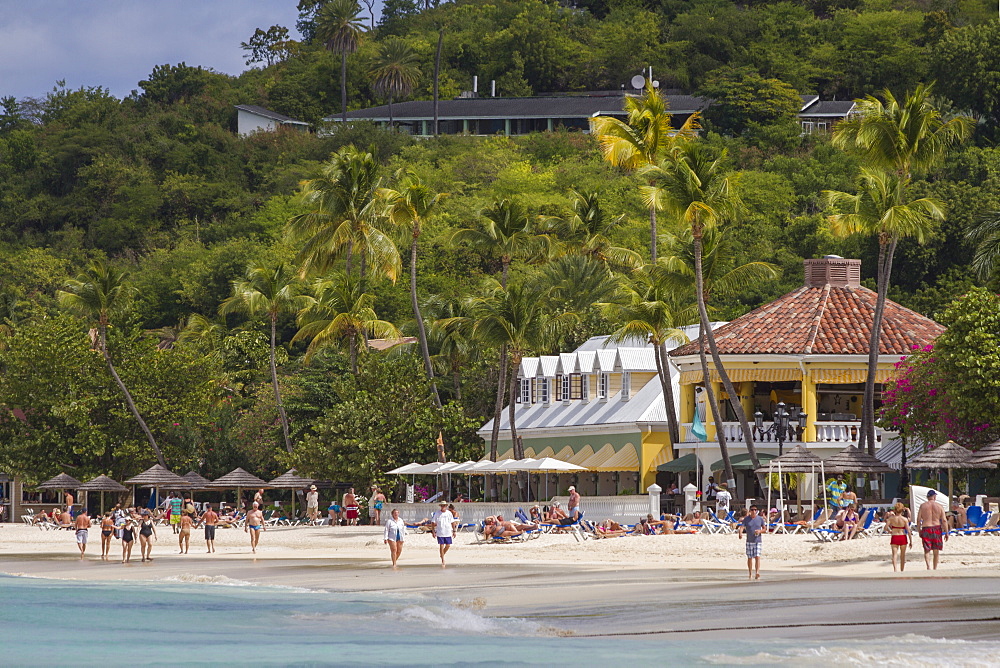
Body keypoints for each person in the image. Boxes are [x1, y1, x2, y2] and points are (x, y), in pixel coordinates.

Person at [917, 489, 947, 570]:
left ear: (927, 497)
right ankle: (935, 567)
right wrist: (947, 532)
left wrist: (919, 530)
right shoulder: (939, 506)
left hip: (926, 527)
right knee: (936, 549)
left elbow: (919, 519)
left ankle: (928, 566)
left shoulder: (923, 506)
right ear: (934, 497)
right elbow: (944, 520)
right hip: (936, 527)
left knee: (927, 549)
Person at [738, 505, 765, 581]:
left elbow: (764, 528)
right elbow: (742, 527)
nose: (753, 511)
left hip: (758, 540)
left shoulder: (760, 519)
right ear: (750, 511)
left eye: (755, 510)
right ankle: (750, 573)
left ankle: (757, 572)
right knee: (750, 558)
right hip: (749, 541)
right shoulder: (746, 519)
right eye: (752, 510)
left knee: (757, 557)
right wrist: (740, 533)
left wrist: (760, 531)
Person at [886, 502, 912, 572]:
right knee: (902, 556)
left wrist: (890, 531)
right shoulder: (904, 519)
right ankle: (902, 570)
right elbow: (908, 531)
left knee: (894, 555)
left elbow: (885, 527)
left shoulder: (891, 518)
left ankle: (895, 570)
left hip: (894, 536)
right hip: (902, 536)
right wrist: (911, 541)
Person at [432, 501, 455, 567]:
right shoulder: (437, 513)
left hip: (448, 531)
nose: (443, 507)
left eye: (444, 506)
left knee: (448, 545)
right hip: (440, 532)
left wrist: (454, 531)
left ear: (446, 506)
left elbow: (452, 522)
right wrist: (433, 531)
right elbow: (433, 522)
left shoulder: (449, 513)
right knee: (441, 546)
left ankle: (442, 554)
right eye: (442, 506)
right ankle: (443, 560)